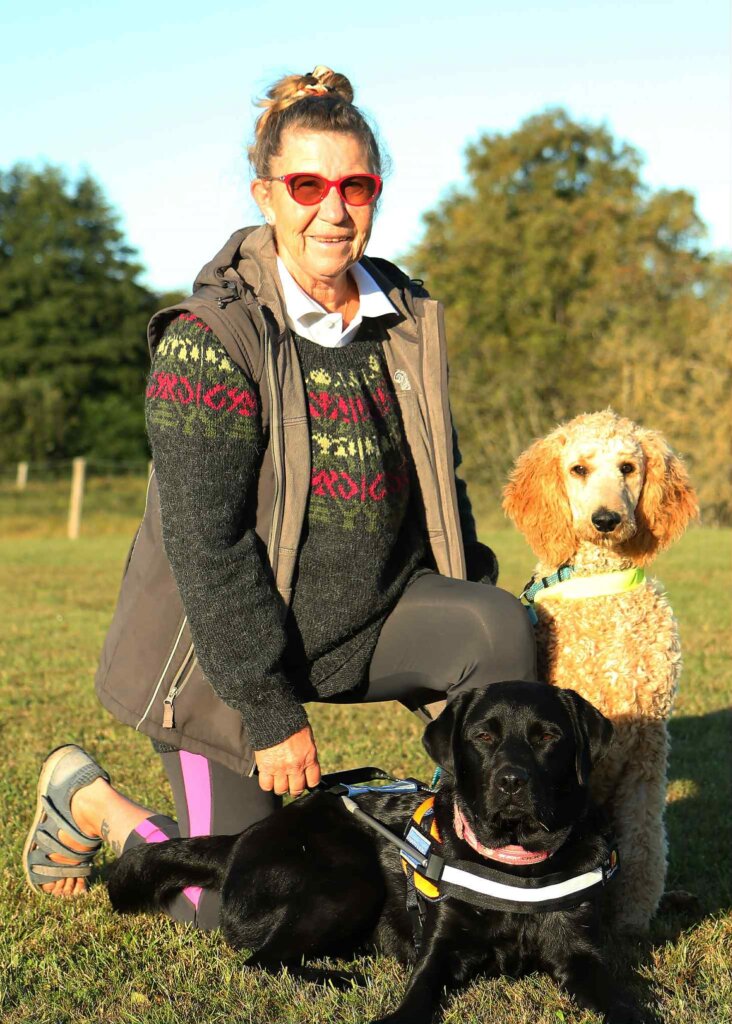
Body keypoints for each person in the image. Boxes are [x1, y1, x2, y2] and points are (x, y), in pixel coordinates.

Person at [23, 66, 536, 929]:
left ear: (377, 191)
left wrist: (473, 610)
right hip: (221, 657)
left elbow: (438, 488)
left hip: (365, 624)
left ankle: (493, 869)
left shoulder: (404, 318)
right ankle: (90, 803)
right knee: (244, 908)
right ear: (266, 193)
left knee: (500, 625)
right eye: (306, 185)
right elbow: (207, 547)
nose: (332, 209)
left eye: (355, 185)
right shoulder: (209, 341)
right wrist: (267, 708)